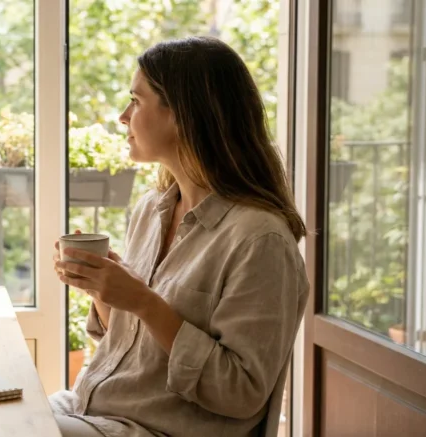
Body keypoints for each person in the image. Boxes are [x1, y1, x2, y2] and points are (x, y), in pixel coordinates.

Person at [50, 36, 309, 437]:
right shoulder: (151, 209)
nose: (123, 116)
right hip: (92, 406)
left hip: (155, 430)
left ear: (182, 115)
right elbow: (124, 343)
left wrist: (144, 302)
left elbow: (241, 392)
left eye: (136, 101)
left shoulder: (260, 241)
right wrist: (103, 290)